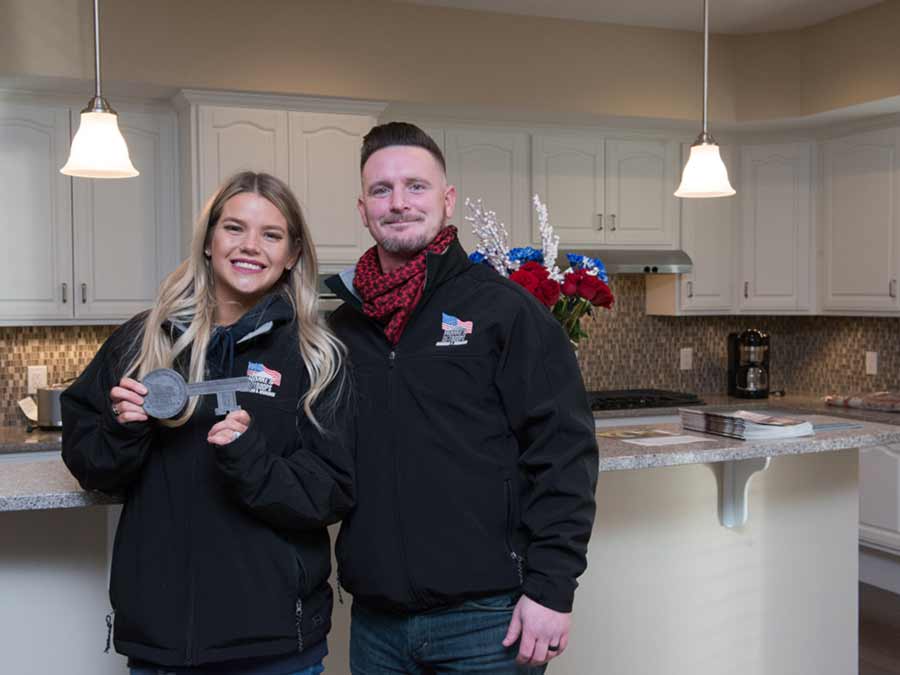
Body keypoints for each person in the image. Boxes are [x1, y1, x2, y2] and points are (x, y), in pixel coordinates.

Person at [326, 122, 599, 674]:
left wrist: (552, 589)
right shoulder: (345, 327)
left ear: (447, 200)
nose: (399, 203)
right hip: (376, 625)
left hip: (488, 621)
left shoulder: (506, 310)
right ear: (363, 208)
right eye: (382, 190)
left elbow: (564, 451)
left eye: (416, 186)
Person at [62, 172, 354, 675]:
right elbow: (91, 467)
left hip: (276, 648)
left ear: (292, 253)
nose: (249, 247)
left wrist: (250, 460)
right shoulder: (143, 339)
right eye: (234, 228)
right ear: (208, 241)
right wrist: (125, 428)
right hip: (163, 643)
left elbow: (330, 493)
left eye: (271, 234)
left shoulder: (317, 356)